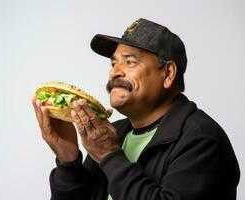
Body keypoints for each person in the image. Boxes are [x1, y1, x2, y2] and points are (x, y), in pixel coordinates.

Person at [31, 18, 240, 200]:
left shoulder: (203, 141)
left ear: (168, 74)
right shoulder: (115, 132)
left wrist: (109, 156)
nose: (114, 73)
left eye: (129, 62)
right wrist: (69, 162)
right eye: (113, 64)